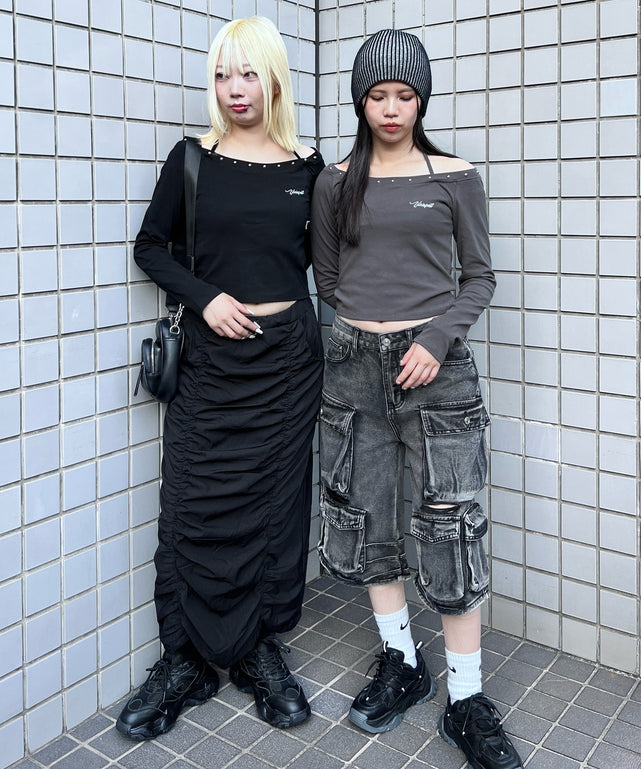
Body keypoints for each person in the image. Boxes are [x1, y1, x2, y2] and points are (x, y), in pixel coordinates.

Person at [311, 29, 523, 769]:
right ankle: (401, 662)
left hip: (437, 371)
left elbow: (479, 277)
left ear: (421, 100)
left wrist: (431, 339)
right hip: (352, 370)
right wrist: (365, 335)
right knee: (366, 517)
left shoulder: (454, 175)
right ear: (360, 102)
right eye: (378, 95)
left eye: (405, 94)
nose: (391, 108)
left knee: (449, 524)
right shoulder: (336, 181)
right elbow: (328, 280)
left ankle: (466, 699)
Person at [117, 16, 324, 740]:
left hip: (287, 363)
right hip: (210, 364)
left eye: (248, 72)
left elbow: (330, 263)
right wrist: (205, 298)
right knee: (191, 506)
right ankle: (184, 659)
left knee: (274, 507)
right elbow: (150, 247)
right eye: (221, 75)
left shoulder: (307, 167)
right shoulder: (192, 160)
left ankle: (260, 652)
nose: (235, 88)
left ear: (274, 79)